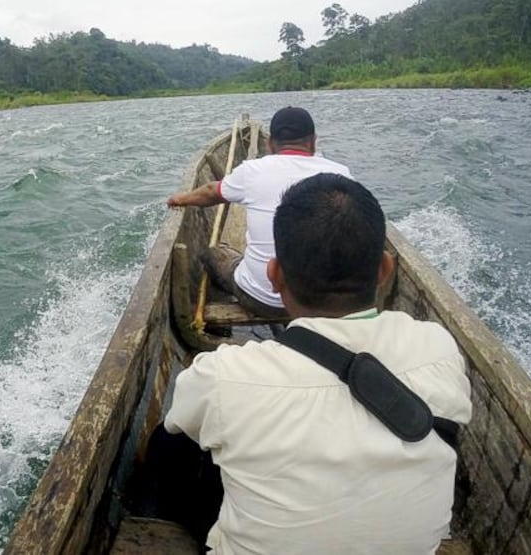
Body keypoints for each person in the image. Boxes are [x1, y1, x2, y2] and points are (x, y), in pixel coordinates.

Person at [163, 173, 473, 554]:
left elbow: (178, 423)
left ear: (274, 275)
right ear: (385, 269)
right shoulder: (439, 348)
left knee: (174, 446)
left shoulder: (222, 376)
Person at [166, 107, 351, 315]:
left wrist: (180, 198)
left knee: (213, 254)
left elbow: (211, 192)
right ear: (314, 141)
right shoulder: (341, 174)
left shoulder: (252, 171)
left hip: (260, 300)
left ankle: (220, 310)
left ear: (270, 143)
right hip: (323, 302)